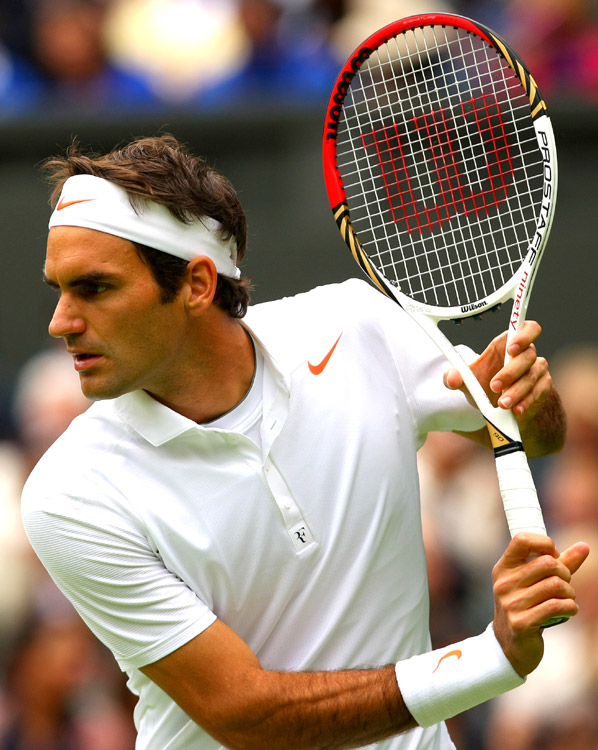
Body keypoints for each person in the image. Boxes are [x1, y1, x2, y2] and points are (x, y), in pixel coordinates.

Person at [21, 134, 589, 750]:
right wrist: (491, 657)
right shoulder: (70, 493)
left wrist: (526, 403)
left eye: (95, 288)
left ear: (196, 285)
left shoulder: (352, 327)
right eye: (59, 288)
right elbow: (248, 715)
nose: (61, 322)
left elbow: (535, 435)